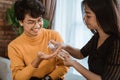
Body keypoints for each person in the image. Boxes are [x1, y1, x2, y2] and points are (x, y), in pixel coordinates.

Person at [50, 0, 120, 80]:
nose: (84, 18)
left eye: (88, 15)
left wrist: (74, 63)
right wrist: (64, 46)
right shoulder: (97, 37)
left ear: (102, 16)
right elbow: (81, 54)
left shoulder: (116, 43)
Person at [8, 0, 68, 80]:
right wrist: (37, 61)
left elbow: (64, 65)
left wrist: (48, 78)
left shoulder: (54, 36)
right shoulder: (14, 46)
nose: (37, 26)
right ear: (21, 22)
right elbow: (17, 77)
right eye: (31, 22)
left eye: (39, 20)